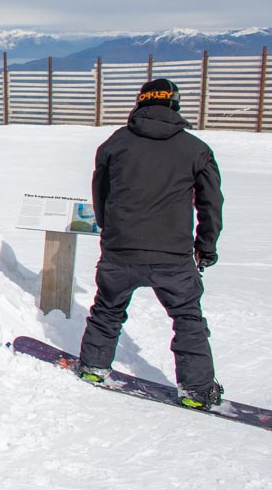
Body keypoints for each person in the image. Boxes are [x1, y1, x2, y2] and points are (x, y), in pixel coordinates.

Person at [78, 78, 224, 410]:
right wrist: (207, 245)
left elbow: (101, 194)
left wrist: (110, 232)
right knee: (187, 317)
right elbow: (210, 203)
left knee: (108, 308)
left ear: (140, 103)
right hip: (172, 254)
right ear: (175, 104)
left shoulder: (115, 143)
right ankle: (196, 390)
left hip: (120, 249)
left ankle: (93, 367)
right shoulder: (195, 149)